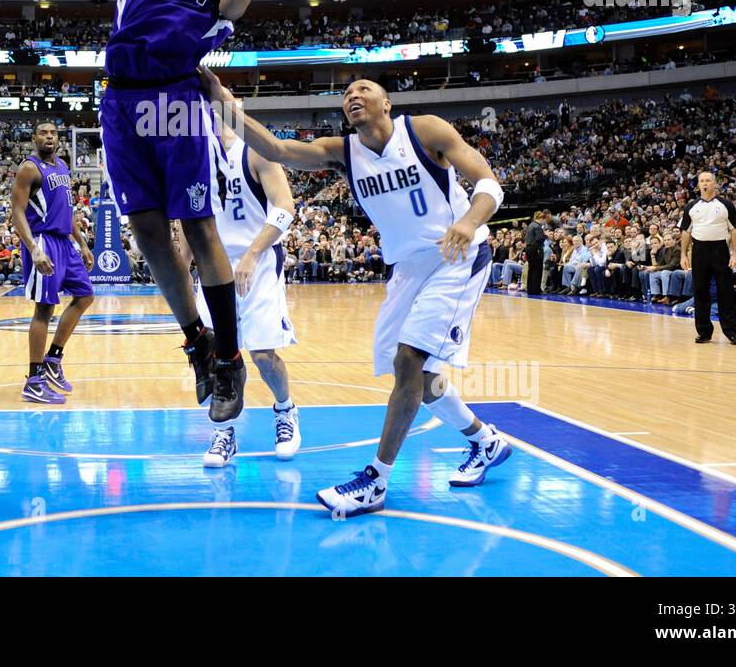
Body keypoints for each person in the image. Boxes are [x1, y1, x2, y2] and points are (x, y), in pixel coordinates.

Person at [201, 70, 512, 518]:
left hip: (457, 256)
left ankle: (376, 481)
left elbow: (488, 183)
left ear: (387, 103)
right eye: (347, 94)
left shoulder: (424, 130)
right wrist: (223, 99)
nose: (354, 96)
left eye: (364, 89)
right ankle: (485, 440)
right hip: (407, 267)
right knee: (420, 381)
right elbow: (277, 149)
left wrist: (469, 221)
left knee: (409, 360)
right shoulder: (342, 151)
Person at [98, 0, 251, 422]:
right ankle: (195, 344)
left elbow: (236, 13)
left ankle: (230, 356)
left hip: (177, 96)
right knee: (150, 233)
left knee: (199, 229)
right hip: (122, 98)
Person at [182, 119, 301, 468]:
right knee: (218, 355)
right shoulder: (195, 159)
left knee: (263, 355)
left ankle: (285, 410)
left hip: (259, 260)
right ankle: (225, 431)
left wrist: (251, 254)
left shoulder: (255, 150)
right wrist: (182, 268)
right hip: (214, 263)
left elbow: (285, 207)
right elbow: (188, 218)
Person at [10, 122, 96, 405]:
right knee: (44, 309)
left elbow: (67, 210)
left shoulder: (62, 167)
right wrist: (33, 248)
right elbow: (17, 212)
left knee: (85, 296)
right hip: (43, 242)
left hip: (64, 242)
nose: (49, 136)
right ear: (34, 138)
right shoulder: (29, 168)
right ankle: (34, 381)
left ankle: (53, 359)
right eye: (43, 133)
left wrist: (81, 243)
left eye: (54, 133)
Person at [679, 171, 736, 344]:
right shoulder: (691, 206)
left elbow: (735, 229)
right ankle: (704, 332)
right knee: (700, 292)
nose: (705, 183)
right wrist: (684, 254)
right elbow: (686, 231)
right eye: (702, 181)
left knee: (726, 292)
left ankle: (731, 332)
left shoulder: (726, 204)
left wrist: (735, 253)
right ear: (698, 185)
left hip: (720, 249)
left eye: (708, 180)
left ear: (715, 183)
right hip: (699, 250)